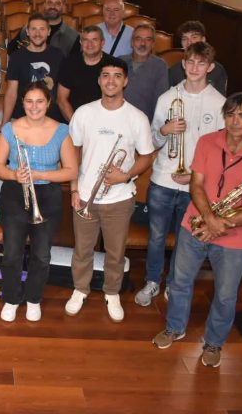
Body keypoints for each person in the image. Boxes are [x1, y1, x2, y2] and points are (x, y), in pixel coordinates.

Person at [152, 92, 242, 368]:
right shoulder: (208, 142)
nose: (235, 121)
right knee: (179, 282)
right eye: (230, 114)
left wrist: (222, 224)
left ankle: (214, 342)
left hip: (233, 234)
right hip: (195, 225)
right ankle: (175, 327)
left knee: (225, 293)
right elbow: (196, 185)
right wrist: (210, 219)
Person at [135, 41, 225, 307]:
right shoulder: (167, 98)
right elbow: (151, 141)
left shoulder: (219, 104)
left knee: (185, 241)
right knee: (157, 237)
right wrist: (164, 131)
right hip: (162, 179)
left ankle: (175, 284)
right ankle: (152, 282)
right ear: (183, 65)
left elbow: (220, 152)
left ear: (210, 67)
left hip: (196, 185)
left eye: (201, 63)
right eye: (190, 62)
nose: (195, 68)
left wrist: (196, 175)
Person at [65, 61, 154, 322]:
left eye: (117, 76)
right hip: (85, 195)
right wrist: (73, 189)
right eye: (106, 76)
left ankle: (112, 292)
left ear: (125, 81)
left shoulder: (137, 117)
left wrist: (125, 175)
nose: (111, 80)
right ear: (99, 80)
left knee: (115, 252)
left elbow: (147, 156)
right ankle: (80, 289)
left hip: (120, 198)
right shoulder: (83, 113)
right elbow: (73, 152)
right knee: (83, 250)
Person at [0, 81, 78, 322]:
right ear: (22, 103)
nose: (34, 106)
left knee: (41, 254)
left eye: (40, 101)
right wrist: (13, 174)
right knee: (12, 253)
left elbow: (71, 171)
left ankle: (33, 299)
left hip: (47, 195)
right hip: (13, 194)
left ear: (48, 103)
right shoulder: (10, 129)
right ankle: (11, 298)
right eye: (29, 101)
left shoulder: (61, 130)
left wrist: (40, 175)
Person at [1, 13, 65, 127]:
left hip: (52, 119)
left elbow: (62, 93)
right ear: (27, 31)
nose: (37, 34)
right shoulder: (16, 57)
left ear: (49, 31)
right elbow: (11, 93)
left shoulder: (59, 55)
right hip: (22, 118)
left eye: (42, 29)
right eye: (33, 29)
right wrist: (4, 123)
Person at [56, 26, 125, 122]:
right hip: (73, 121)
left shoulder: (113, 65)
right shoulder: (69, 63)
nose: (90, 44)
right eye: (85, 40)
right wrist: (76, 125)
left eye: (94, 40)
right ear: (80, 42)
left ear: (102, 43)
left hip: (104, 122)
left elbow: (116, 98)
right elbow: (61, 99)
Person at [7, 0, 80, 57]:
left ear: (63, 7)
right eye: (49, 3)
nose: (53, 7)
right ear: (44, 5)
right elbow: (10, 50)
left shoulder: (73, 37)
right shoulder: (28, 29)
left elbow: (74, 65)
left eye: (57, 4)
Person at [120, 23, 169, 121]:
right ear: (132, 42)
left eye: (148, 39)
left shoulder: (159, 66)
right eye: (138, 39)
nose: (143, 43)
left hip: (145, 123)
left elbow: (161, 100)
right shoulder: (119, 62)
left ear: (153, 44)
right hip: (119, 119)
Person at [168, 20, 228, 95]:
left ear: (203, 39)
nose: (189, 42)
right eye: (184, 39)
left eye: (194, 37)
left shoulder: (218, 70)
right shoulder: (174, 70)